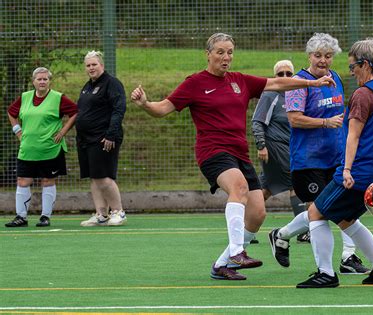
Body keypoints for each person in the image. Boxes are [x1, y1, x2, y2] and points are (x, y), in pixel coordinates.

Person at [131, 33, 336, 280]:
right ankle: (238, 252)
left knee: (258, 212)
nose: (226, 57)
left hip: (239, 153)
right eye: (220, 52)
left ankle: (221, 264)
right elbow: (162, 108)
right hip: (212, 151)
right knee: (238, 187)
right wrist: (144, 104)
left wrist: (312, 84)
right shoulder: (194, 83)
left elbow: (277, 84)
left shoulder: (240, 80)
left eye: (229, 52)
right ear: (208, 54)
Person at [296, 38, 373, 288]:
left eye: (353, 67)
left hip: (357, 173)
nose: (351, 72)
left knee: (315, 212)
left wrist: (346, 170)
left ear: (365, 64)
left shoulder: (363, 94)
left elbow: (352, 135)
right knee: (346, 219)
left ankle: (326, 274)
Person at [268, 33, 370, 274]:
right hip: (308, 160)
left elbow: (341, 114)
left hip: (336, 157)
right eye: (318, 55)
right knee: (320, 214)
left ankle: (345, 257)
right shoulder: (298, 82)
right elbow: (294, 120)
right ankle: (325, 269)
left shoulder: (334, 77)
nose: (323, 61)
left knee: (341, 206)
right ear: (309, 56)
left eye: (328, 56)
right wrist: (325, 123)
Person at [5, 67, 77, 227]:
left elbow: (75, 112)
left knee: (48, 180)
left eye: (45, 79)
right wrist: (17, 131)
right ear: (33, 81)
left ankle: (45, 216)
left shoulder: (58, 98)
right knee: (23, 181)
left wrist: (63, 131)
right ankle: (21, 217)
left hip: (50, 149)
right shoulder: (24, 97)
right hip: (28, 149)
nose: (42, 81)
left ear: (49, 81)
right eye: (39, 79)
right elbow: (11, 112)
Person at [251, 60, 306, 243]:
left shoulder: (297, 95)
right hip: (274, 147)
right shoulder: (270, 94)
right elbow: (257, 121)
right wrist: (261, 145)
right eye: (280, 74)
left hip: (289, 149)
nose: (284, 77)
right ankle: (303, 232)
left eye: (289, 74)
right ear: (275, 77)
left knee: (263, 190)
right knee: (295, 183)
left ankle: (243, 229)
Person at [76, 51, 127, 227]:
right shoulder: (87, 86)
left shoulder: (112, 83)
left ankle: (118, 211)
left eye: (94, 64)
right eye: (88, 65)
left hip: (103, 138)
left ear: (102, 66)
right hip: (86, 139)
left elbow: (118, 109)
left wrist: (111, 134)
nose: (91, 68)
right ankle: (101, 214)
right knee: (94, 177)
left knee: (104, 177)